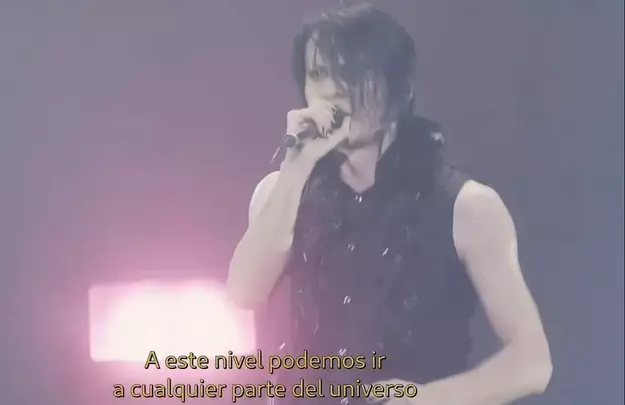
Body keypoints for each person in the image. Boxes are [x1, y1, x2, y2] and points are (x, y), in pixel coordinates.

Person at [227, 4, 552, 404]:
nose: (334, 90)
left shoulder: (467, 207)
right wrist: (296, 166)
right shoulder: (282, 192)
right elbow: (245, 291)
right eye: (319, 73)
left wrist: (427, 398)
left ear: (398, 86)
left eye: (354, 73)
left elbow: (532, 362)